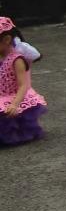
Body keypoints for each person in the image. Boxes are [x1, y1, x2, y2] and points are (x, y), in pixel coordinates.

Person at [0, 16, 46, 146]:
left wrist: (14, 104)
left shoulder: (17, 60)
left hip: (14, 97)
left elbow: (23, 85)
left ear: (7, 40)